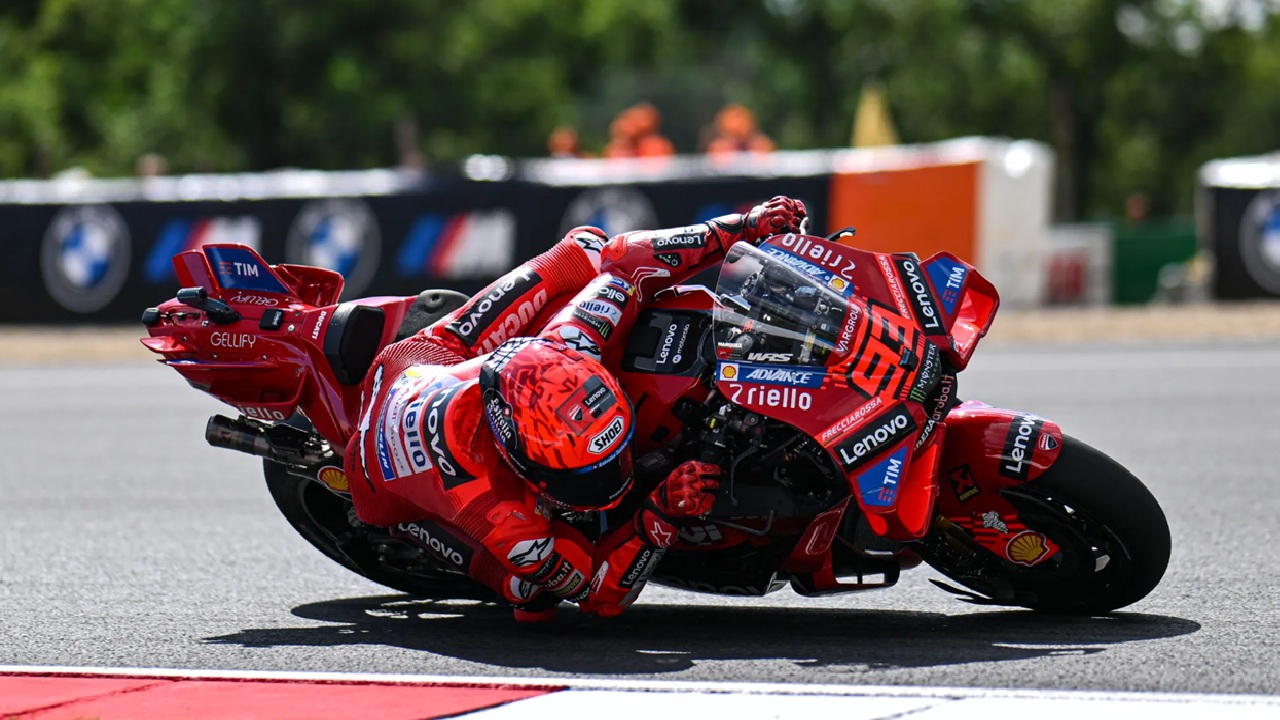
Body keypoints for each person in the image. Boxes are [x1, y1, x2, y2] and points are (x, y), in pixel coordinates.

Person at [343, 195, 808, 622]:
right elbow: (598, 594)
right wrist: (659, 517)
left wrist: (744, 226)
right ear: (522, 465)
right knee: (531, 595)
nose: (619, 477)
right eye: (590, 475)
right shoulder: (505, 516)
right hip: (375, 467)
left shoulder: (571, 341)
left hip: (431, 359)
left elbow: (630, 261)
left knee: (586, 249)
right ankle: (426, 537)